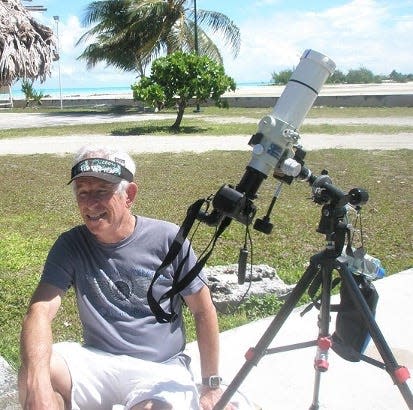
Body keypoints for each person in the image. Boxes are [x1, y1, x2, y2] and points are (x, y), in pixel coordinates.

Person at [18, 146, 231, 410]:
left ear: (129, 194)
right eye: (82, 192)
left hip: (161, 367)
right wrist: (37, 386)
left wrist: (211, 385)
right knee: (35, 373)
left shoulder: (168, 239)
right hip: (97, 361)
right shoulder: (71, 244)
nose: (90, 203)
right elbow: (40, 311)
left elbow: (202, 310)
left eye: (101, 192)